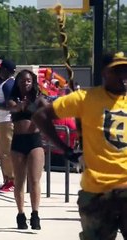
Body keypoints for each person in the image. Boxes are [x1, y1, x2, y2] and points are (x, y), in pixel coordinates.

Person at [33, 52, 127, 239]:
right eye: (116, 71)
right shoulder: (84, 98)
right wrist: (66, 149)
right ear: (104, 73)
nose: (123, 75)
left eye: (126, 70)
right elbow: (40, 116)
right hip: (97, 191)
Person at [8, 70, 45, 230]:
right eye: (22, 80)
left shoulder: (38, 98)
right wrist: (21, 105)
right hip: (18, 141)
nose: (26, 83)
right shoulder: (12, 99)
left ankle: (35, 213)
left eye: (29, 80)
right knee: (19, 181)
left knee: (35, 180)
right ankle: (21, 213)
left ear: (33, 82)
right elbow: (14, 109)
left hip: (34, 141)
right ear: (18, 82)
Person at [0, 59, 16, 192]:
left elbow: (9, 105)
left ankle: (12, 180)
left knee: (6, 152)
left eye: (1, 69)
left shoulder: (8, 85)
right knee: (3, 152)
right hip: (2, 121)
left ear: (6, 70)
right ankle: (7, 179)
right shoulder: (7, 84)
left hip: (7, 122)